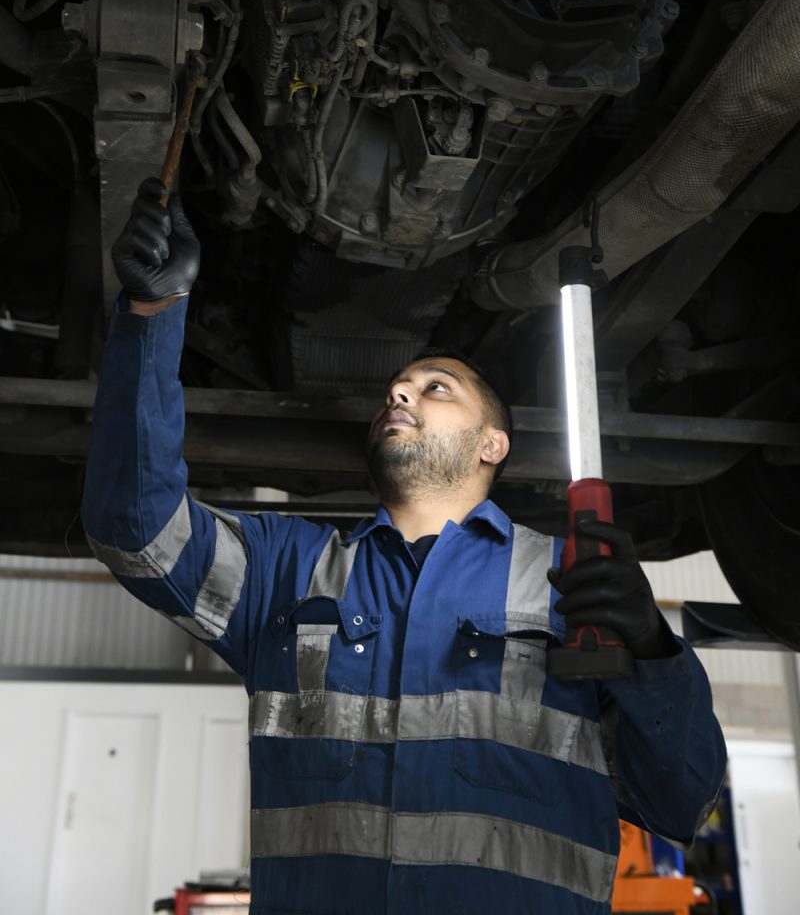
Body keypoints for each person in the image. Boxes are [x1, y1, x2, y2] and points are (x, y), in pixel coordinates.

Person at [81, 178, 727, 915]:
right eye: (397, 387)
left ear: (494, 443)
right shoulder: (285, 572)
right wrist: (150, 314)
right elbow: (136, 528)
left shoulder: (570, 581)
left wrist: (651, 651)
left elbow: (684, 805)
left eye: (436, 387)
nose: (400, 394)